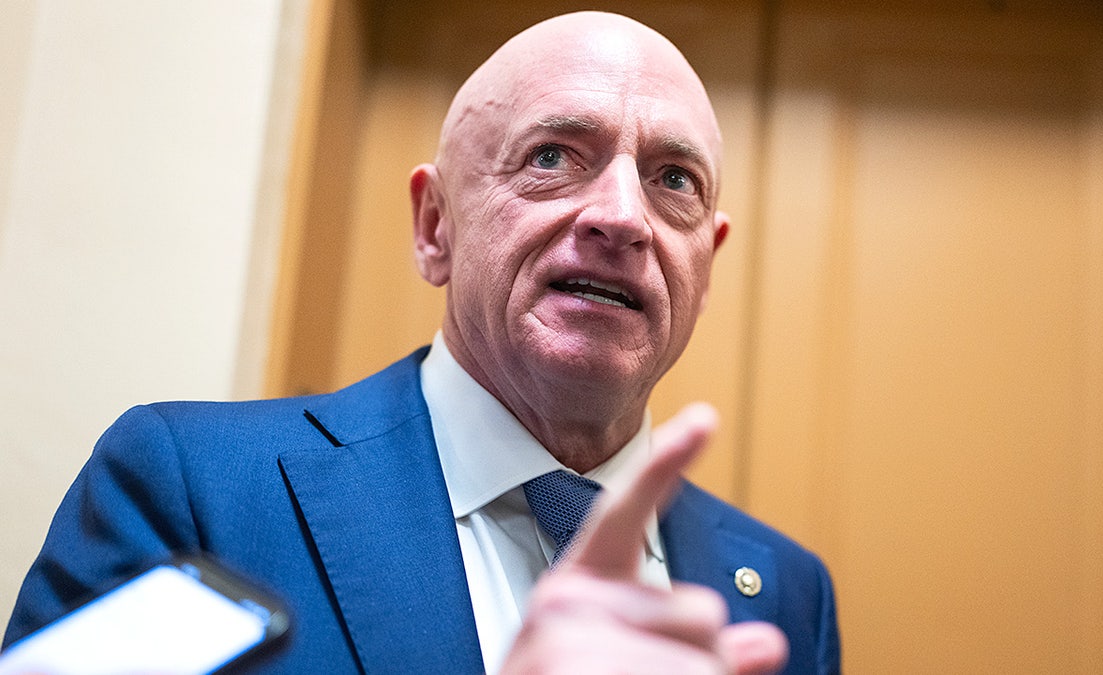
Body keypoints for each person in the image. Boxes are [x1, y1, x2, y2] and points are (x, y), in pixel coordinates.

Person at [3, 11, 839, 674]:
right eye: (553, 155)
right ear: (435, 226)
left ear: (709, 258)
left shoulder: (784, 593)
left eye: (673, 180)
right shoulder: (193, 491)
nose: (623, 216)